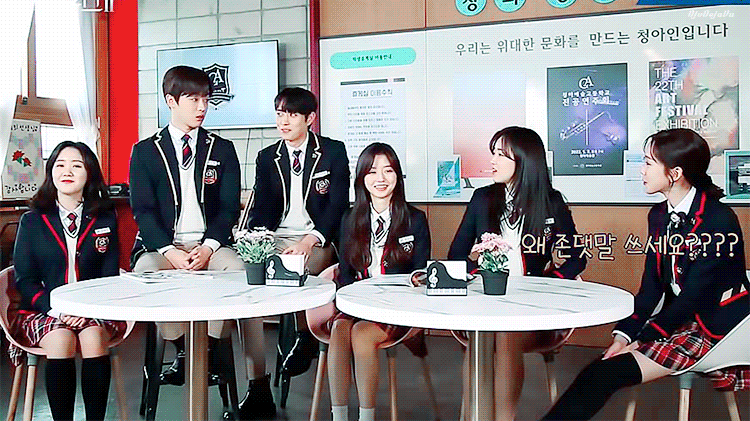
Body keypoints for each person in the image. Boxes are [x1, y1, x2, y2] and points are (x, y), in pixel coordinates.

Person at [542, 128, 750, 420]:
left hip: (715, 327)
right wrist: (624, 335)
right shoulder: (659, 215)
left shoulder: (718, 219)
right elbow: (651, 287)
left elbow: (695, 296)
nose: (642, 170)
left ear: (674, 173)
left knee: (601, 374)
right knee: (598, 370)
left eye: (649, 163)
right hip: (678, 320)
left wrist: (643, 339)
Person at [129, 65, 274, 419]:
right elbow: (143, 211)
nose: (202, 107)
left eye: (206, 99)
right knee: (146, 273)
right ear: (170, 101)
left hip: (212, 246)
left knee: (245, 277)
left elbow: (228, 209)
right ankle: (183, 347)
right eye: (193, 99)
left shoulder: (222, 149)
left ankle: (251, 379)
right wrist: (169, 252)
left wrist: (208, 247)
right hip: (163, 249)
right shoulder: (145, 151)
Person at [447, 126, 587, 420]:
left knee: (505, 335)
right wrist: (479, 270)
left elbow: (577, 257)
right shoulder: (482, 198)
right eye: (493, 153)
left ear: (524, 161)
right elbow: (456, 255)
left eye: (501, 155)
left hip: (533, 309)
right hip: (488, 301)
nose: (493, 161)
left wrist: (550, 282)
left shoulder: (551, 202)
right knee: (483, 338)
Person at [11, 141, 126, 420]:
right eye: (60, 165)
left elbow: (108, 278)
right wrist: (58, 310)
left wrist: (85, 309)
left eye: (77, 165)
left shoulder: (105, 218)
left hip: (94, 309)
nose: (67, 171)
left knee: (93, 337)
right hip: (43, 310)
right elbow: (25, 281)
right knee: (61, 339)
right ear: (51, 171)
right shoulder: (32, 221)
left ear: (89, 174)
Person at [246, 87, 350, 386]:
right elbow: (261, 207)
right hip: (278, 237)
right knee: (252, 271)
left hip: (317, 238)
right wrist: (260, 240)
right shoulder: (268, 156)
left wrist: (309, 240)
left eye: (292, 115)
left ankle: (303, 336)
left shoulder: (332, 151)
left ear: (310, 118)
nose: (284, 121)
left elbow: (338, 205)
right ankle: (259, 376)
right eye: (280, 114)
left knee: (300, 267)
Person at [327, 143, 431, 421]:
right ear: (362, 177)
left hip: (397, 308)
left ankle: (366, 416)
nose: (381, 178)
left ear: (398, 175)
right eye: (372, 171)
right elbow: (345, 273)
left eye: (388, 170)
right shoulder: (350, 219)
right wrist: (350, 303)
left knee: (361, 333)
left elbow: (420, 273)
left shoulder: (415, 219)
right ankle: (339, 416)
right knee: (339, 329)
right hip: (357, 305)